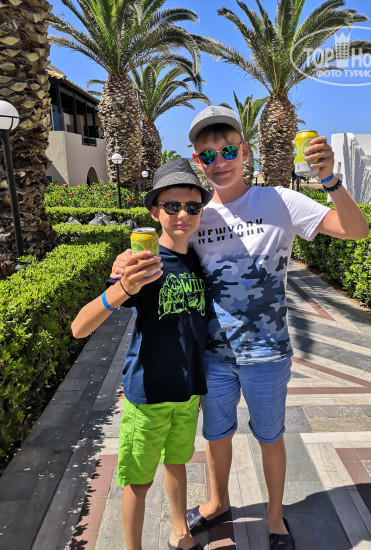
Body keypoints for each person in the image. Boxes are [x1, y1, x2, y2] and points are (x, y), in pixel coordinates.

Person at [111, 107, 369, 550]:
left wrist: (330, 180)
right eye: (208, 155)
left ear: (245, 152)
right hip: (211, 357)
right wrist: (124, 262)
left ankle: (274, 517)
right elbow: (166, 251)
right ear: (198, 161)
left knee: (270, 436)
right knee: (216, 436)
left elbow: (355, 229)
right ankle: (217, 503)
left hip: (267, 354)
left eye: (228, 150)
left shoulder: (280, 201)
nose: (220, 161)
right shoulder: (196, 213)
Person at [72, 158, 213, 550]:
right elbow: (80, 327)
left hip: (187, 393)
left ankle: (180, 531)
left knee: (177, 463)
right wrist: (122, 288)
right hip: (147, 395)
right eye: (172, 206)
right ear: (155, 212)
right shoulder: (142, 264)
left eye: (192, 206)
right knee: (138, 481)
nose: (182, 214)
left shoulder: (198, 261)